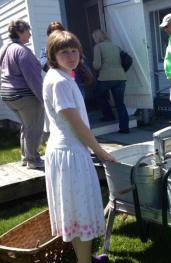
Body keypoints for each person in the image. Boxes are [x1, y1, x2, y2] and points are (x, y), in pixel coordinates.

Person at [43, 30, 115, 263]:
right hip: (70, 154)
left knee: (75, 212)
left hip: (66, 151)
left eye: (74, 50)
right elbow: (79, 127)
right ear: (53, 54)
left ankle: (85, 259)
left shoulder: (61, 76)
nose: (72, 56)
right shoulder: (60, 83)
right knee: (80, 211)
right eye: (64, 52)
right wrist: (101, 152)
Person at [0, 19, 44, 169]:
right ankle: (33, 160)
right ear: (19, 32)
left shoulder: (5, 48)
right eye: (27, 31)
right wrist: (43, 98)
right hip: (24, 96)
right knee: (34, 127)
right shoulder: (22, 51)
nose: (30, 34)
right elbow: (33, 78)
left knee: (26, 126)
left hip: (8, 95)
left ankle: (26, 157)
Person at [92, 29, 129, 133]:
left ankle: (109, 115)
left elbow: (97, 65)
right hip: (120, 77)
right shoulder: (115, 46)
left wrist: (93, 63)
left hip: (106, 78)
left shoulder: (98, 47)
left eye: (94, 38)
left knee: (97, 94)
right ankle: (125, 128)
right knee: (120, 104)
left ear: (97, 38)